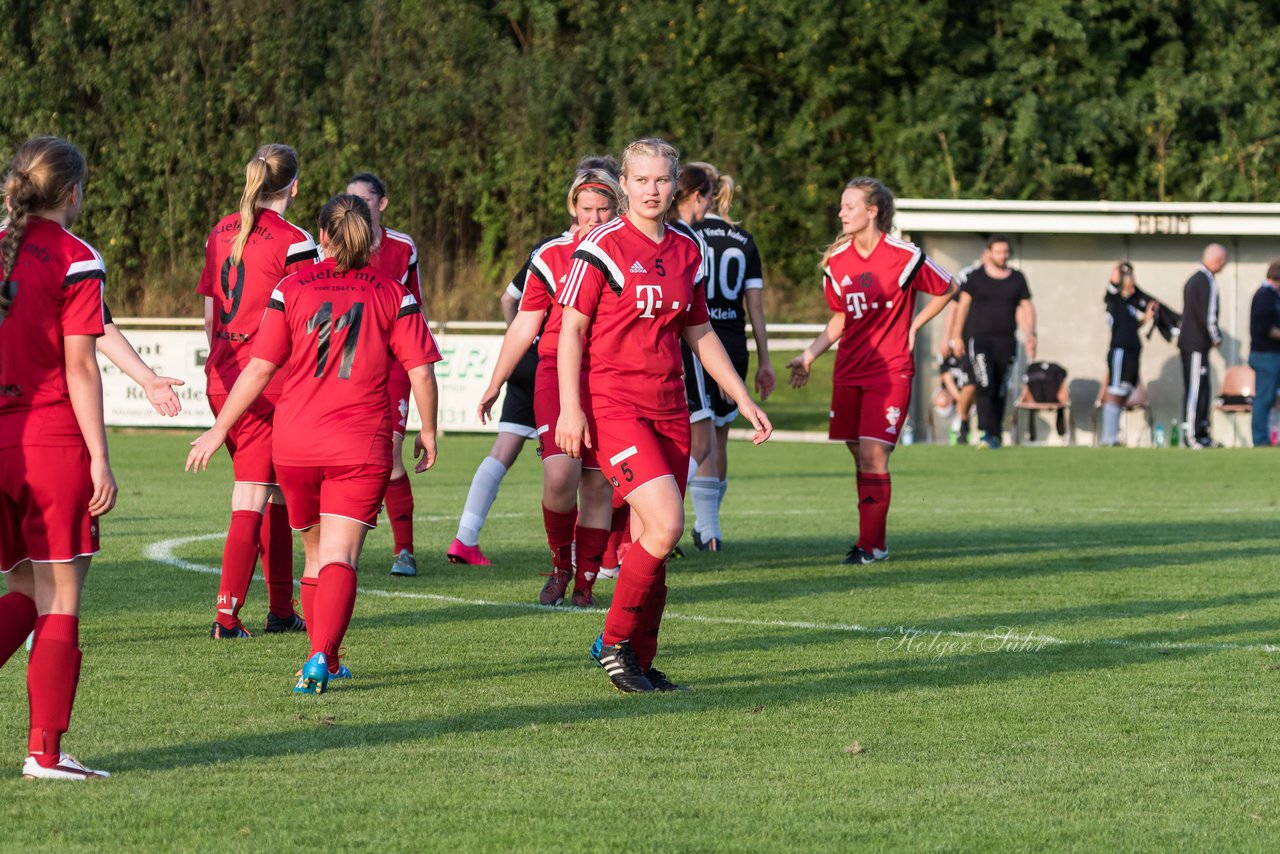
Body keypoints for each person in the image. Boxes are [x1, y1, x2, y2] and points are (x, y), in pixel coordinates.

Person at [187, 194, 441, 693]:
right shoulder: (393, 292)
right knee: (342, 556)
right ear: (371, 238)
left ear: (321, 236)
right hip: (359, 441)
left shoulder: (291, 287)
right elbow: (421, 371)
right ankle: (320, 657)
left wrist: (219, 429)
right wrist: (427, 430)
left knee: (315, 553)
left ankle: (321, 653)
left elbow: (260, 367)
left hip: (296, 440)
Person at [556, 138, 772, 693]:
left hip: (671, 406)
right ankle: (610, 641)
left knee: (652, 537)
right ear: (623, 185)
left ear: (675, 184)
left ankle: (641, 661)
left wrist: (741, 397)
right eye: (642, 180)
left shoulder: (687, 249)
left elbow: (699, 331)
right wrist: (571, 408)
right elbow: (571, 332)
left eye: (661, 181)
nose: (652, 190)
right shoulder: (600, 247)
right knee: (669, 523)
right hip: (615, 405)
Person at [0, 136, 116, 779]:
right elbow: (79, 365)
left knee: (21, 588)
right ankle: (45, 752)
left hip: (2, 444)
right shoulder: (75, 257)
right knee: (61, 598)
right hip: (50, 443)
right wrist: (100, 456)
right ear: (72, 193)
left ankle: (46, 751)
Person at [447, 154, 620, 567]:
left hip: (608, 378)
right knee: (559, 473)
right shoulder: (551, 253)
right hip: (552, 372)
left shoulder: (633, 252)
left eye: (603, 209)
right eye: (586, 209)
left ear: (619, 204)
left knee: (600, 482)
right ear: (573, 208)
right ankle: (563, 560)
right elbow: (519, 311)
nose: (594, 217)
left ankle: (597, 568)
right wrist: (501, 376)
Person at [787, 177, 956, 565]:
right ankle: (870, 539)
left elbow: (948, 287)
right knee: (859, 455)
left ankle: (872, 545)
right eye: (841, 206)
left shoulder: (903, 254)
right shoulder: (837, 261)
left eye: (849, 206)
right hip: (849, 370)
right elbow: (840, 319)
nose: (841, 212)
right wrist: (809, 355)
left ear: (873, 211)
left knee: (874, 455)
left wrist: (915, 325)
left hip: (890, 371)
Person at [198, 143, 317, 638]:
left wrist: (226, 362)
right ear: (294, 184)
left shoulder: (221, 229)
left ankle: (281, 611)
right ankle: (226, 618)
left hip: (224, 377)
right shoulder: (295, 241)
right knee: (252, 495)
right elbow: (306, 319)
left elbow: (209, 315)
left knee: (275, 497)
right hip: (269, 383)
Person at [688, 162, 775, 550]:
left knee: (693, 433)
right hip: (733, 344)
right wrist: (765, 361)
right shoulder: (743, 239)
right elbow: (755, 308)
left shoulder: (685, 233)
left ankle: (702, 527)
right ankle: (710, 529)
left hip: (695, 342)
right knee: (718, 437)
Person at [346, 172, 426, 576]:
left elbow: (417, 307)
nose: (355, 206)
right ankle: (341, 545)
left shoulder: (401, 246)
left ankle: (404, 550)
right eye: (349, 199)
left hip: (393, 362)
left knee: (391, 455)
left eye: (362, 199)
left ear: (382, 203)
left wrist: (417, 361)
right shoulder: (335, 245)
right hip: (350, 362)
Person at [946, 234, 1034, 449]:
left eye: (1005, 252)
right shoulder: (975, 278)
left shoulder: (1017, 279)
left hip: (1006, 341)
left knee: (999, 388)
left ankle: (995, 434)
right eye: (998, 251)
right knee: (984, 383)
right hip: (980, 340)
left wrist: (1030, 334)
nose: (1002, 255)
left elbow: (1026, 308)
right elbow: (962, 307)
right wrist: (956, 336)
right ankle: (986, 431)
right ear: (989, 253)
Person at [667, 165, 715, 555]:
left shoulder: (675, 234)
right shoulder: (685, 237)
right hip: (683, 352)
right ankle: (660, 518)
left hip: (678, 349)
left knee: (689, 444)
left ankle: (657, 521)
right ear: (697, 196)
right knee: (702, 442)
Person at [1100, 262, 1156, 446]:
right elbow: (1112, 286)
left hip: (1133, 351)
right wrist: (1118, 271)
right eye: (1128, 276)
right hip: (1120, 351)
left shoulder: (1132, 303)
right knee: (1115, 391)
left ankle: (1113, 435)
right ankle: (1109, 438)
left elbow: (1130, 327)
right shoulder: (1114, 299)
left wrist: (1146, 319)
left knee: (1125, 390)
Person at [1178, 243, 1228, 448]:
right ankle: (1191, 435)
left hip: (1197, 345)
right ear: (1217, 260)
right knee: (1195, 390)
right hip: (1195, 344)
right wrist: (1215, 337)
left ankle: (1202, 433)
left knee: (1203, 389)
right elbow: (1208, 315)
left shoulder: (1194, 279)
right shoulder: (1206, 281)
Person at [1248, 260, 1280, 446]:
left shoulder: (1273, 296)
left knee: (1271, 398)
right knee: (1264, 398)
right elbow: (1263, 327)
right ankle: (1260, 440)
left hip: (1272, 355)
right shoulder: (1264, 296)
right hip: (1266, 355)